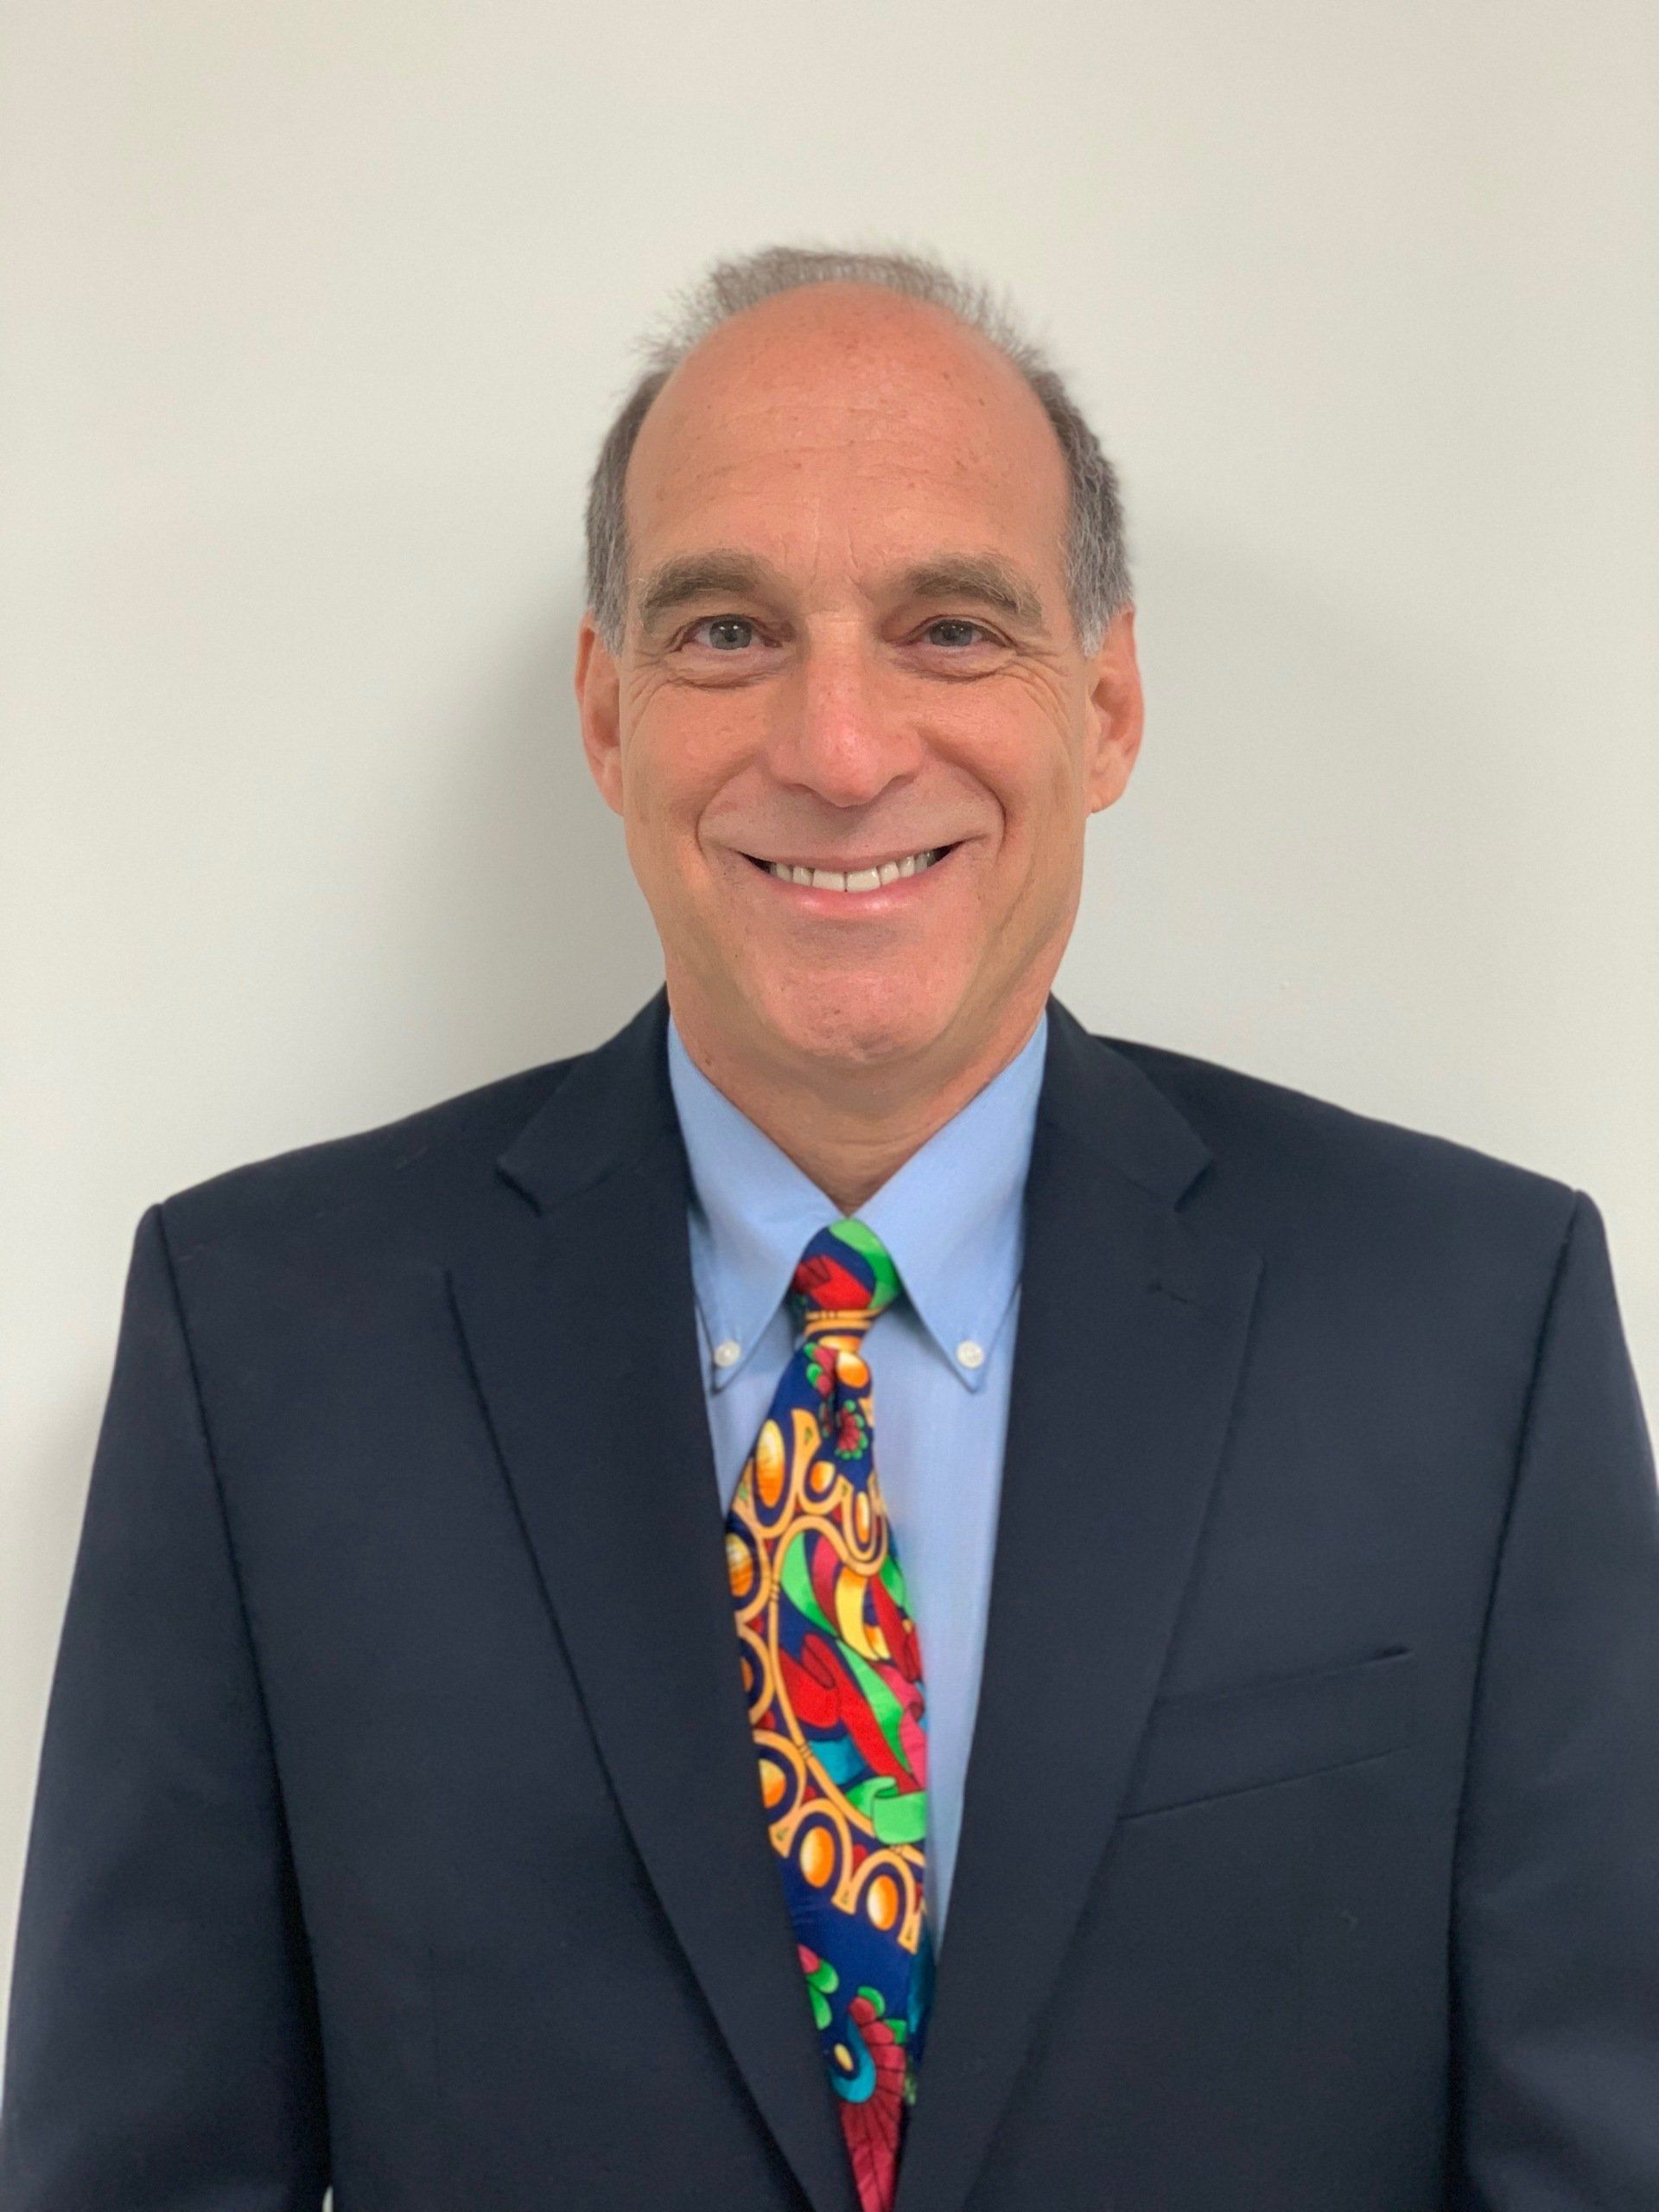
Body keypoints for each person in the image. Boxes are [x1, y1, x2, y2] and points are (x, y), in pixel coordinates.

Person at [3, 243, 1656, 2212]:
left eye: (953, 627)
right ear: (610, 715)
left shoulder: (1475, 1328)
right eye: (726, 631)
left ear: (1106, 706)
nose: (844, 746)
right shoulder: (260, 1342)